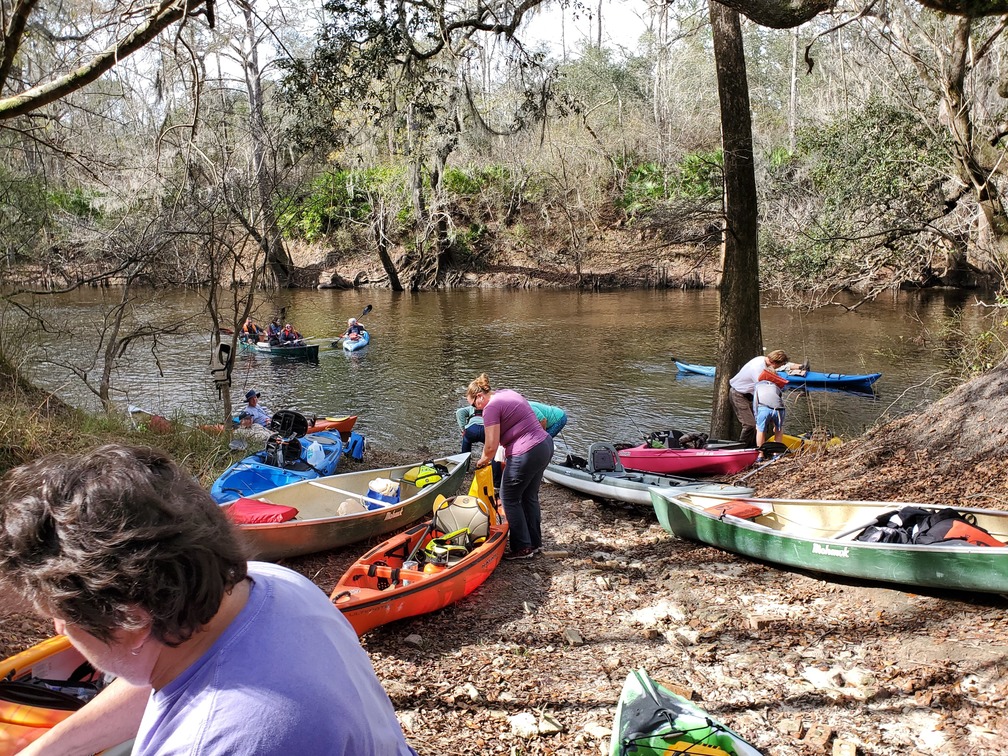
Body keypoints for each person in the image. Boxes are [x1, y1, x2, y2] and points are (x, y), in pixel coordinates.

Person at [0, 444, 418, 756]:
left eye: (58, 615)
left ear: (131, 619)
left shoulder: (217, 741)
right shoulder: (268, 584)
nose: (57, 628)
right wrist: (43, 751)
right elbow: (160, 680)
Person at [467, 373, 553, 561]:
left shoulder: (490, 407)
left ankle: (522, 547)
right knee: (529, 495)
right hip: (544, 445)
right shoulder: (507, 393)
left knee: (508, 497)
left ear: (480, 396)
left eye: (474, 405)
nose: (475, 409)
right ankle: (534, 543)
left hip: (527, 452)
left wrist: (481, 462)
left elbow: (490, 446)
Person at [728, 349, 805, 447]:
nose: (778, 368)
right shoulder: (757, 369)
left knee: (760, 424)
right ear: (773, 363)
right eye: (779, 366)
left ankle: (756, 446)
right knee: (750, 425)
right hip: (739, 395)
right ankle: (742, 448)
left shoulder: (764, 360)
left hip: (750, 395)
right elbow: (762, 388)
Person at [753, 369, 788, 455]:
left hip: (764, 408)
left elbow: (755, 402)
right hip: (779, 409)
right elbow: (779, 399)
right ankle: (776, 454)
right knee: (778, 430)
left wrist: (756, 418)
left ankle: (760, 455)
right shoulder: (776, 387)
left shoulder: (758, 385)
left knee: (760, 430)